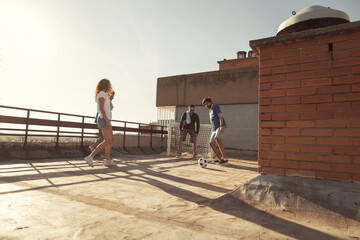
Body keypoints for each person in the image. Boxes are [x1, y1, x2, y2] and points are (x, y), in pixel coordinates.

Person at [84, 79, 116, 167]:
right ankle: (90, 157)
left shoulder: (103, 94)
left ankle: (108, 160)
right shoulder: (102, 94)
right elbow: (101, 109)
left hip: (106, 119)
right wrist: (106, 120)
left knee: (111, 139)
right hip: (103, 119)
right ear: (105, 85)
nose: (110, 86)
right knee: (108, 140)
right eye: (109, 85)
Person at [201, 97, 228, 164]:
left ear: (210, 102)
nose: (206, 105)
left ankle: (224, 159)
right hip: (214, 128)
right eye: (205, 104)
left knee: (217, 139)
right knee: (211, 143)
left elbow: (221, 117)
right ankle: (219, 159)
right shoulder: (210, 110)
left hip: (219, 126)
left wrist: (221, 126)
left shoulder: (215, 107)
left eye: (207, 103)